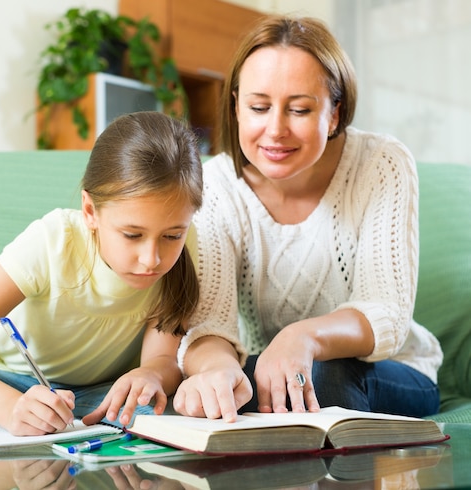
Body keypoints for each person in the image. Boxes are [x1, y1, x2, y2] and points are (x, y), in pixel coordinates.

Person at [172, 14, 442, 422]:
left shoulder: (381, 163)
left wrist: (303, 336)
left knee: (325, 376)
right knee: (215, 390)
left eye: (299, 109)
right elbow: (210, 325)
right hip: (274, 368)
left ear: (334, 113)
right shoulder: (216, 185)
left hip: (390, 371)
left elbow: (387, 312)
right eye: (259, 107)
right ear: (237, 108)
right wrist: (217, 371)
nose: (275, 129)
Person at [0, 111, 202, 438]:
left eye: (171, 236)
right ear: (91, 211)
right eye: (132, 235)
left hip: (101, 395)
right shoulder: (54, 241)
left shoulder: (185, 239)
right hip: (10, 384)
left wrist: (151, 374)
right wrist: (11, 407)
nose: (152, 259)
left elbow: (164, 357)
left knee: (180, 412)